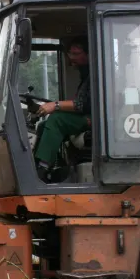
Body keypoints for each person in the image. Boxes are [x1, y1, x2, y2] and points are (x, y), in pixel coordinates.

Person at [34, 39, 90, 182]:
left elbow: (83, 104)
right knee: (42, 126)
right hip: (85, 116)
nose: (72, 58)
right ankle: (42, 165)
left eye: (76, 53)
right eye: (70, 54)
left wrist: (55, 105)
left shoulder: (96, 74)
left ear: (89, 54)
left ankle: (42, 170)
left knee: (57, 119)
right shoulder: (86, 75)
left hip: (94, 120)